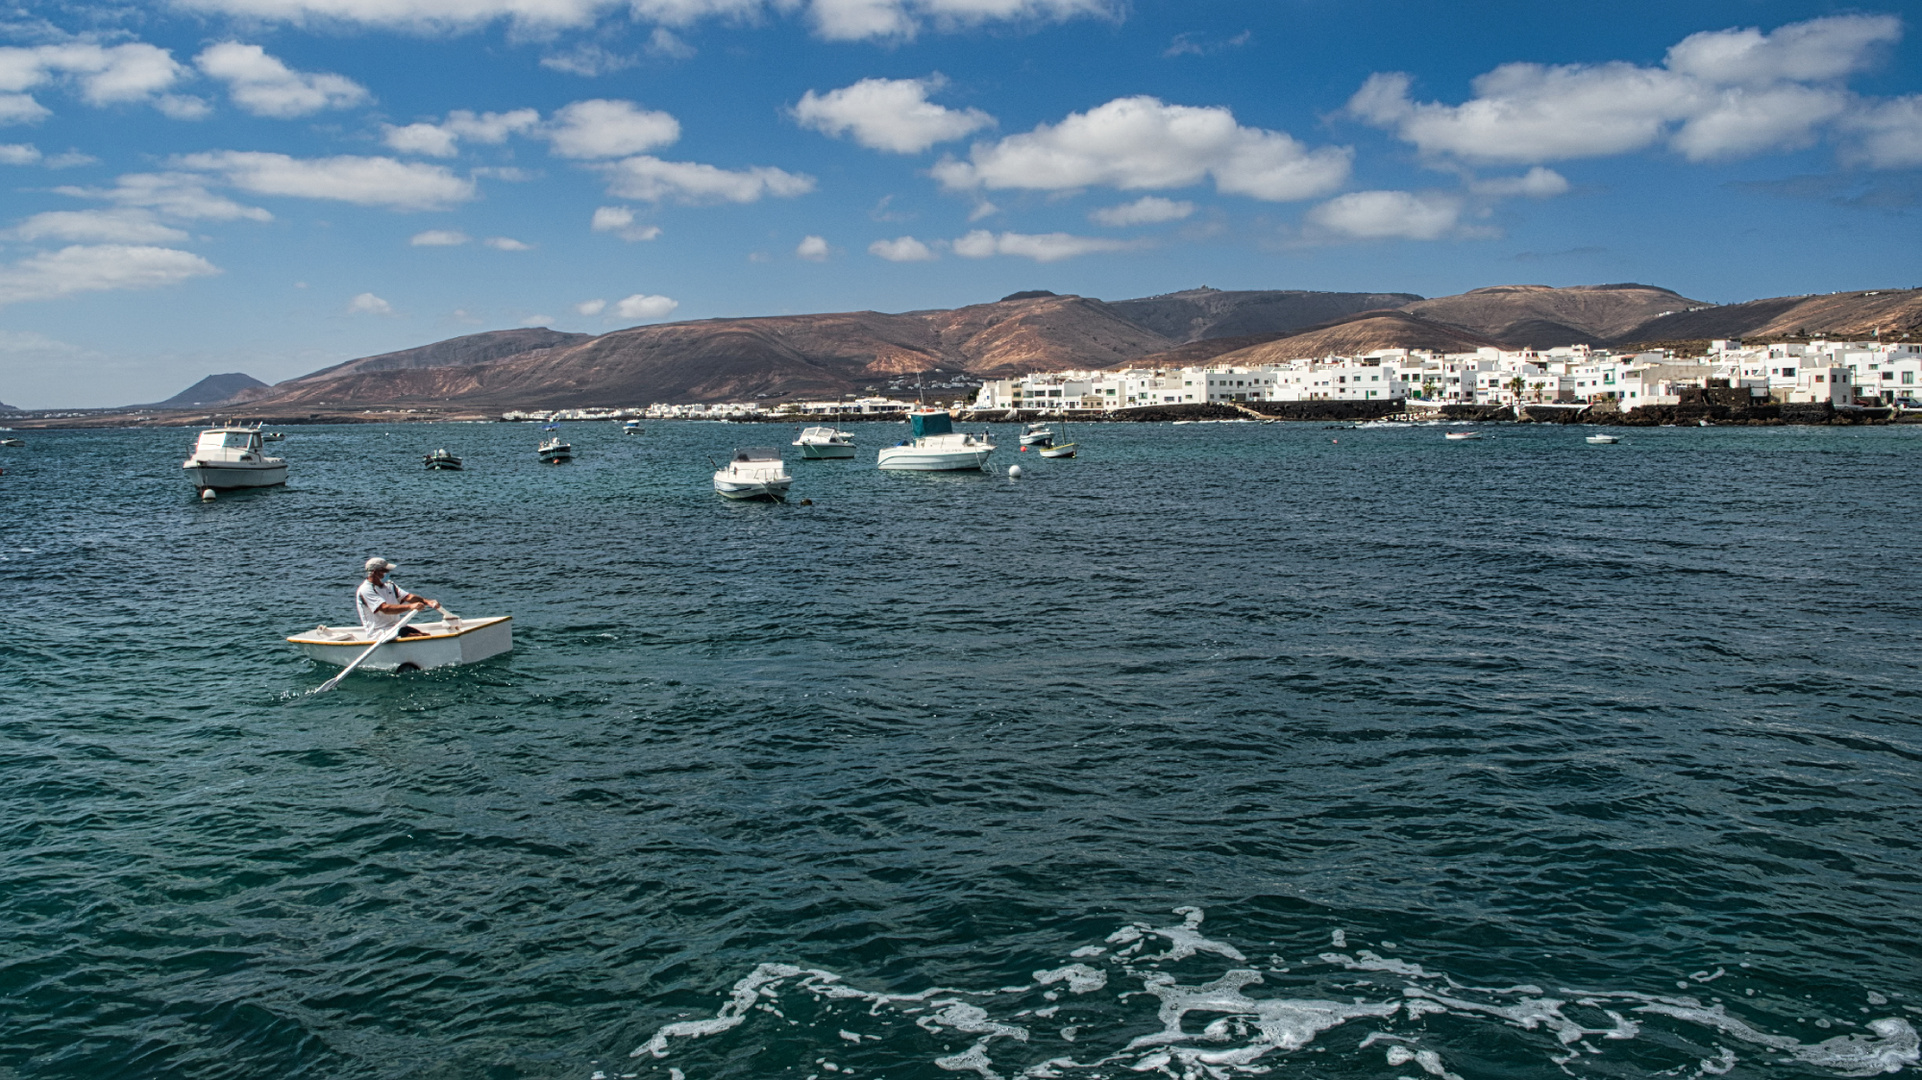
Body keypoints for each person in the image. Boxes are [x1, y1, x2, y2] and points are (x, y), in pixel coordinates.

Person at [355, 557, 440, 638]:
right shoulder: (366, 589)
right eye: (385, 571)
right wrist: (410, 606)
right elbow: (385, 609)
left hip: (396, 627)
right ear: (375, 572)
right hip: (379, 632)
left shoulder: (389, 585)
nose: (388, 573)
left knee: (424, 635)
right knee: (414, 637)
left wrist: (427, 601)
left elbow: (409, 597)